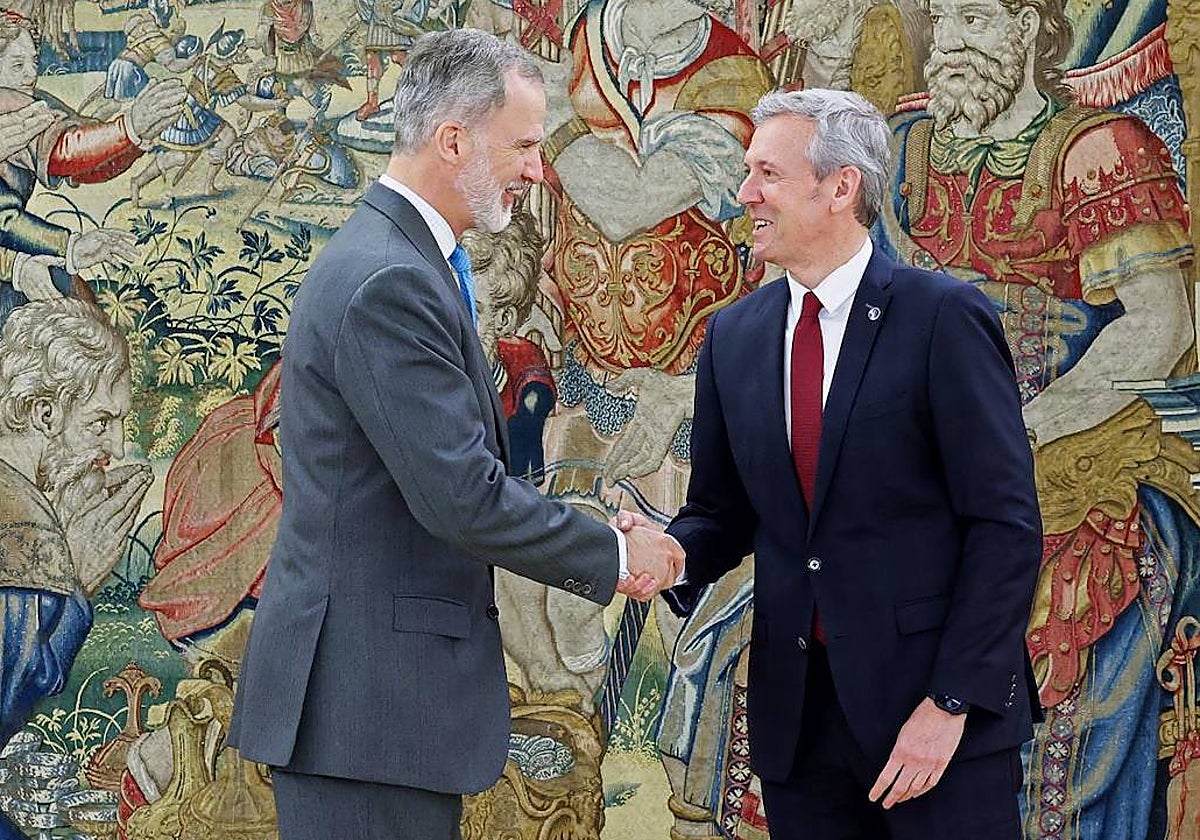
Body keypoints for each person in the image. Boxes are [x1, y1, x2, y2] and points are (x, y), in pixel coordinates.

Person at [227, 28, 683, 840]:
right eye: (526, 145)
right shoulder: (391, 281)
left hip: (376, 721)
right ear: (453, 139)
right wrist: (616, 557)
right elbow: (462, 500)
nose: (540, 169)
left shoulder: (399, 260)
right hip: (366, 720)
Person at [623, 87, 1043, 840]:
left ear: (841, 186)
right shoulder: (734, 338)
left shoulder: (944, 319)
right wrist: (671, 552)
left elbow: (1004, 525)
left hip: (935, 728)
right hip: (800, 731)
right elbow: (724, 512)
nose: (744, 193)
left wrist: (950, 704)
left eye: (767, 175)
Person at [879, 0, 1197, 833]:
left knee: (1069, 676)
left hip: (1066, 471)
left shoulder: (1095, 149)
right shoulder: (906, 150)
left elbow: (1161, 323)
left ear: (1028, 27)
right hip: (913, 473)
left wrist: (1022, 431)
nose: (946, 43)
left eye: (975, 20)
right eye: (939, 22)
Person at [0, 298, 151, 840]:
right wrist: (78, 587)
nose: (115, 446)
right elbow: (10, 696)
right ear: (45, 414)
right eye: (101, 423)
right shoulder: (22, 525)